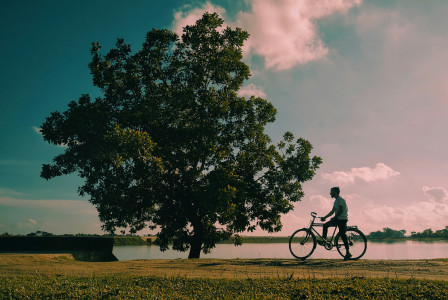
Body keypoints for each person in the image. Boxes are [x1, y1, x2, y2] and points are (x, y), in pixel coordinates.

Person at [319, 187, 352, 260]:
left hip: (342, 219)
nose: (330, 193)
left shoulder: (341, 200)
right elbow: (332, 211)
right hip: (337, 219)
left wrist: (334, 217)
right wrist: (325, 217)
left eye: (331, 192)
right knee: (325, 225)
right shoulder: (336, 201)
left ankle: (348, 253)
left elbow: (340, 210)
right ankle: (324, 241)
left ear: (335, 192)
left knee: (342, 234)